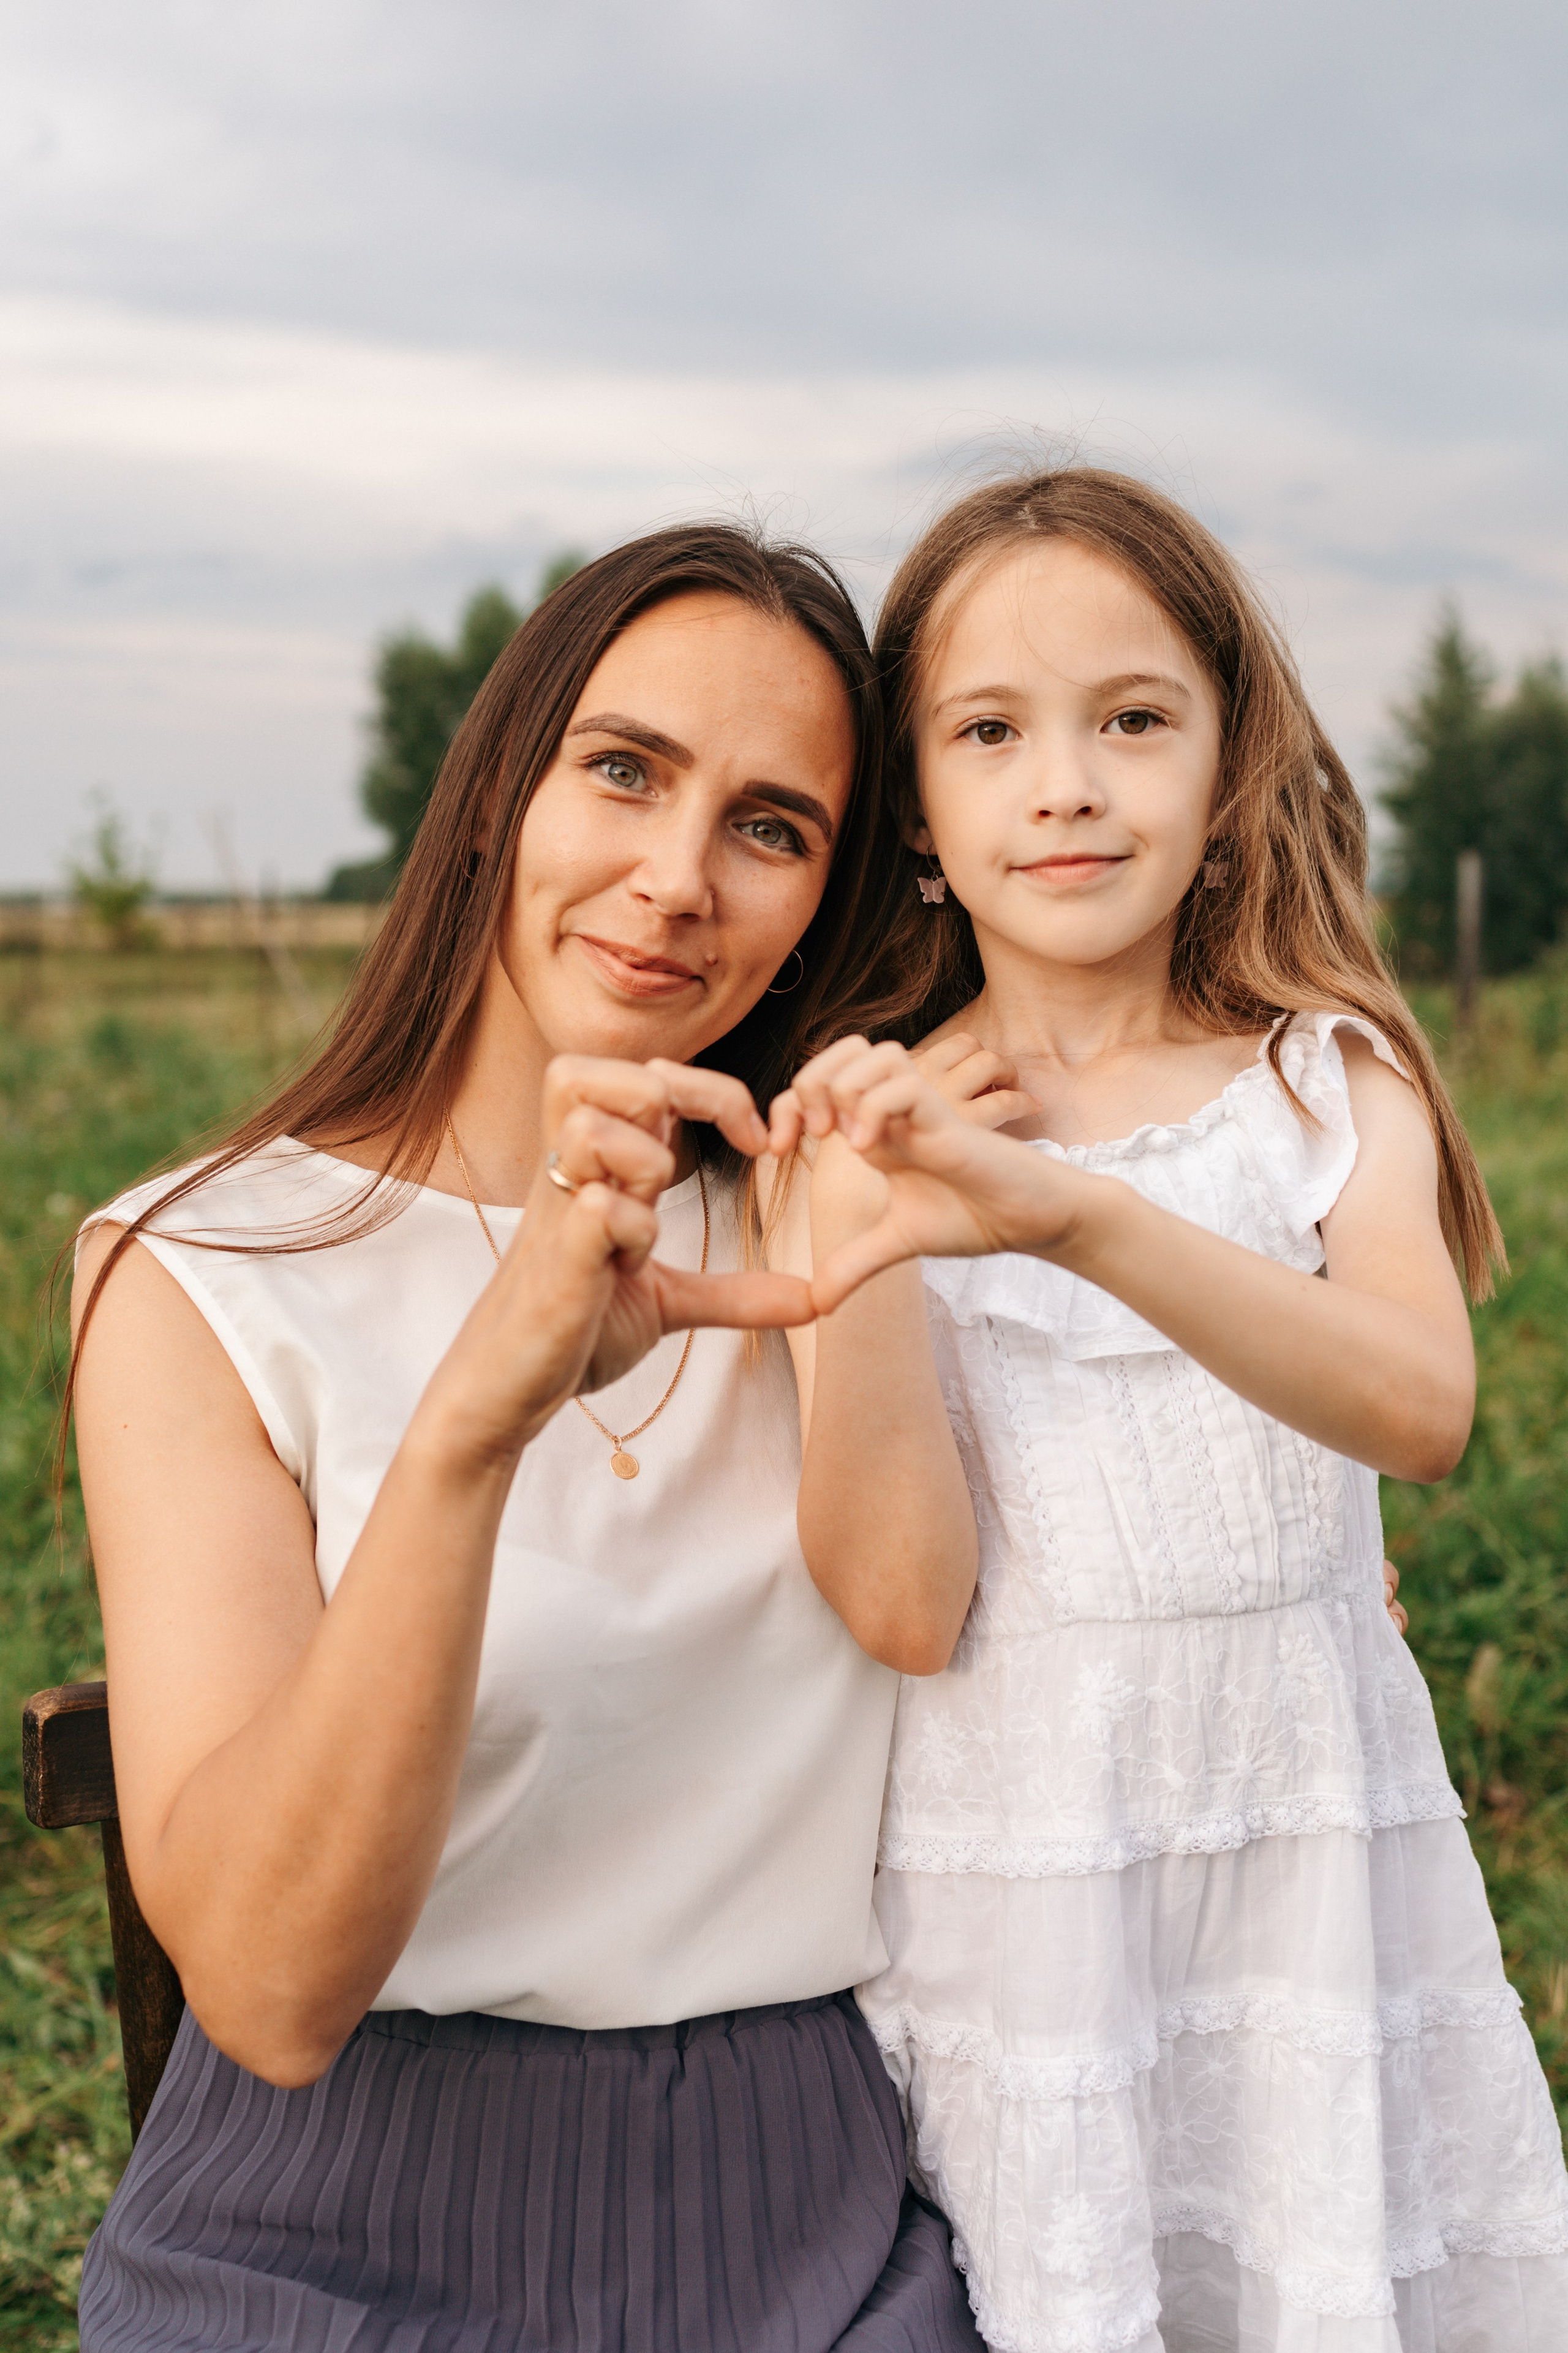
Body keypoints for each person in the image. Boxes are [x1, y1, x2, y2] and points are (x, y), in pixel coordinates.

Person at [69, 524, 987, 2352]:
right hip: (326, 2218)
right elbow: (266, 1982)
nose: (674, 879)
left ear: (830, 897)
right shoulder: (201, 1268)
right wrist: (476, 1422)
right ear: (499, 790)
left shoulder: (841, 1224)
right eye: (625, 770)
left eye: (771, 823)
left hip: (819, 2213)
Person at [777, 470, 1568, 2352]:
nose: (1066, 782)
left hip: (1308, 1853)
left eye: (1133, 719)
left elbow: (1419, 1405)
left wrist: (1083, 1216)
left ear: (1226, 768)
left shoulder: (1321, 1078)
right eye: (991, 732)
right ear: (919, 814)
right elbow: (902, 1604)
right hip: (1029, 1881)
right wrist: (867, 1237)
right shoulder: (867, 1126)